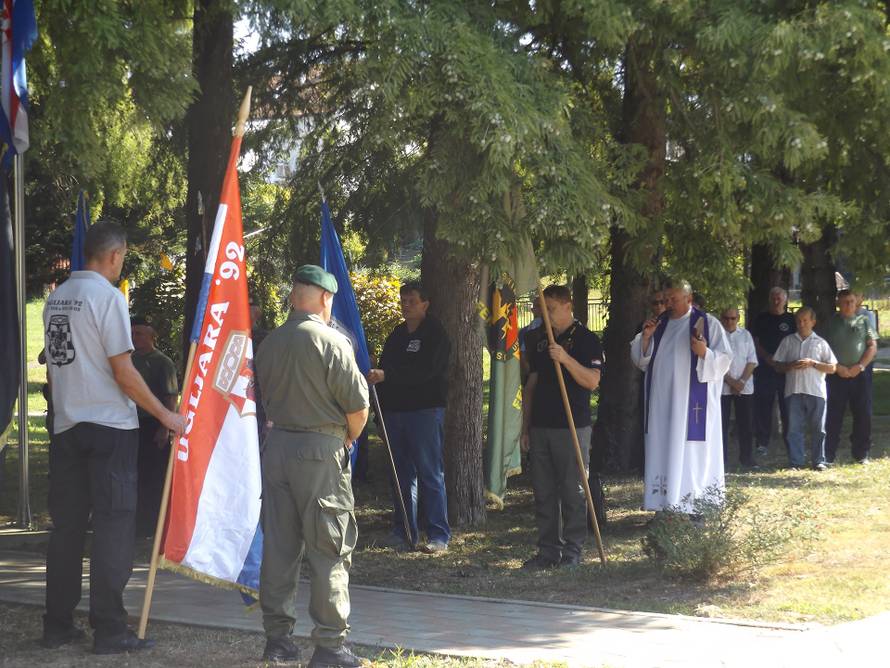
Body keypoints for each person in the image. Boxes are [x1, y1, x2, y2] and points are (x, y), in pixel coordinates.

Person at [41, 221, 185, 655]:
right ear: (116, 255)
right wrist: (164, 414)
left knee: (66, 529)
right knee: (113, 528)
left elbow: (54, 367)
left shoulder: (56, 299)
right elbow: (124, 371)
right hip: (109, 428)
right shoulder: (107, 298)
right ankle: (109, 629)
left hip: (67, 426)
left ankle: (58, 624)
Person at [255, 265, 369, 667]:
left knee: (280, 546)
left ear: (293, 297)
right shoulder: (332, 342)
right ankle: (330, 645)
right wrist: (348, 437)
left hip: (278, 447)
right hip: (321, 450)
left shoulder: (269, 344)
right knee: (329, 546)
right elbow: (357, 407)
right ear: (325, 298)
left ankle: (278, 639)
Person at [630, 280, 732, 513]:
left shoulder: (708, 323)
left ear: (688, 299)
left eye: (672, 299)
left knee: (691, 454)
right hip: (662, 406)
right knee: (662, 449)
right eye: (665, 299)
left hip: (692, 408)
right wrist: (645, 339)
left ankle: (695, 507)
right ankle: (664, 506)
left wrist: (704, 352)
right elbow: (640, 360)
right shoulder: (659, 324)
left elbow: (725, 360)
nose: (666, 304)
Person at [520, 285, 603, 569]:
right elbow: (532, 385)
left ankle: (573, 550)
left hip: (571, 426)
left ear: (568, 306)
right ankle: (547, 551)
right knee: (543, 491)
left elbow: (592, 381)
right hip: (541, 425)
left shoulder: (585, 339)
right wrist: (525, 426)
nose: (546, 315)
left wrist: (565, 359)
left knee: (572, 489)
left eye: (551, 309)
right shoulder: (542, 340)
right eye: (542, 310)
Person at [368, 281, 451, 553]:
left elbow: (426, 372)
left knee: (430, 473)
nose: (406, 305)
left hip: (425, 412)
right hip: (396, 414)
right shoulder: (397, 334)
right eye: (403, 300)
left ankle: (439, 535)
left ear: (425, 304)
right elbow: (385, 368)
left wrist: (389, 375)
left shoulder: (435, 334)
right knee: (401, 474)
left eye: (412, 301)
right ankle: (404, 531)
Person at [130, 318, 179, 537]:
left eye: (140, 333)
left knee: (153, 477)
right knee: (134, 475)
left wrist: (164, 428)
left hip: (152, 425)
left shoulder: (162, 362)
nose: (135, 338)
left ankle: (153, 526)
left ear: (152, 336)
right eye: (133, 333)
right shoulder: (127, 360)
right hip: (130, 424)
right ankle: (136, 523)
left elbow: (170, 396)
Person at [772, 307, 836, 470]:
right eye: (799, 321)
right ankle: (796, 462)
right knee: (794, 429)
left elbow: (832, 368)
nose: (801, 324)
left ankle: (818, 461)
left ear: (813, 322)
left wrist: (813, 363)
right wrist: (790, 365)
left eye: (805, 320)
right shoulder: (788, 341)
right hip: (793, 391)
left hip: (815, 391)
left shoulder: (820, 343)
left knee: (818, 429)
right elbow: (777, 366)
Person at [821, 289, 878, 464]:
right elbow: (823, 348)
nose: (848, 305)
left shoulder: (864, 321)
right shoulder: (830, 323)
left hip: (859, 375)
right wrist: (838, 367)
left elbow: (872, 346)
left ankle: (861, 453)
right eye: (845, 302)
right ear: (838, 303)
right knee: (833, 415)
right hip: (836, 375)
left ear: (856, 303)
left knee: (863, 414)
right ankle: (828, 454)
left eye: (852, 301)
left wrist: (859, 367)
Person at [751, 287, 796, 457]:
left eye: (779, 298)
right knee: (763, 406)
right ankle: (762, 442)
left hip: (786, 371)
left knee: (788, 408)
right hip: (765, 369)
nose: (776, 301)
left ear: (785, 300)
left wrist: (785, 364)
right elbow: (755, 342)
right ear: (770, 299)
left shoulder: (791, 319)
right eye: (773, 298)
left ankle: (790, 442)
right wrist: (768, 358)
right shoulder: (761, 318)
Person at [719, 307, 758, 469]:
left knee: (746, 424)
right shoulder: (717, 336)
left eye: (733, 318)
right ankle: (721, 461)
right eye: (726, 318)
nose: (729, 321)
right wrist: (730, 381)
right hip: (723, 386)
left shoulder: (746, 335)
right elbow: (714, 362)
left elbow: (752, 360)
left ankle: (747, 459)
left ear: (738, 318)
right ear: (722, 319)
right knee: (722, 425)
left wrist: (741, 381)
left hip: (744, 386)